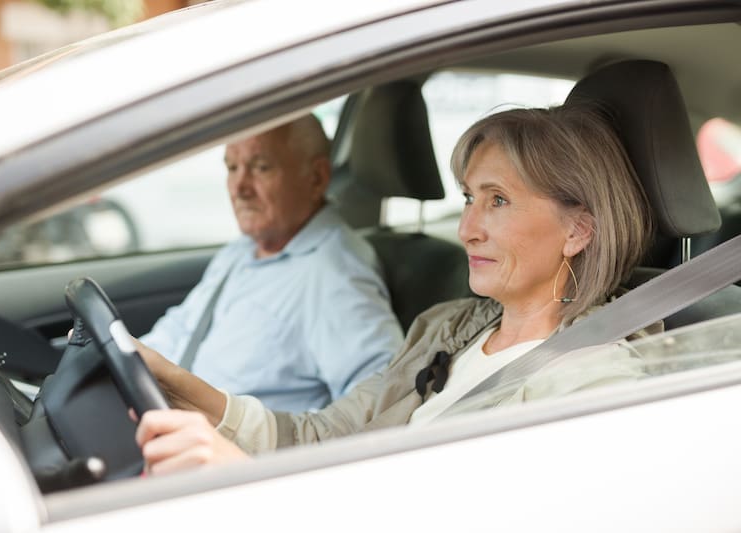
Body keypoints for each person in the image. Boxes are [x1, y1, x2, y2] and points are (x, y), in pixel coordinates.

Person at [133, 104, 661, 475]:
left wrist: (244, 479)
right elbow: (325, 435)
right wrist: (178, 385)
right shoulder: (448, 328)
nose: (466, 228)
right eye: (469, 198)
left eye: (497, 200)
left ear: (578, 231)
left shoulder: (592, 384)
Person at [139, 114, 404, 413]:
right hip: (162, 420)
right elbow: (180, 330)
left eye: (260, 167)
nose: (239, 187)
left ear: (316, 178)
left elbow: (381, 404)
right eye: (232, 167)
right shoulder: (243, 250)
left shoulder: (335, 273)